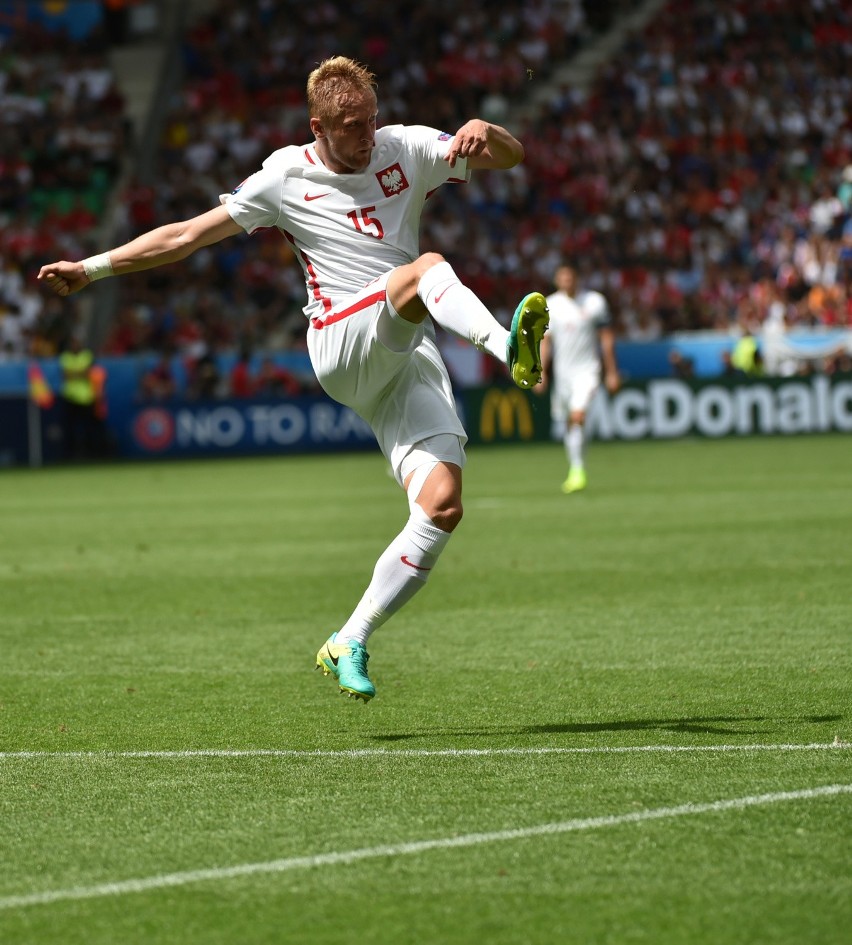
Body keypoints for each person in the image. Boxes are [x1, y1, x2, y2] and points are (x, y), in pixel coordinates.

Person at [37, 56, 549, 703]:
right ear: (318, 127)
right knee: (426, 269)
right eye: (349, 126)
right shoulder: (284, 176)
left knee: (442, 504)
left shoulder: (407, 147)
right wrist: (92, 268)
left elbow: (511, 156)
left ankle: (349, 638)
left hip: (401, 355)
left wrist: (486, 130)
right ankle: (509, 348)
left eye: (369, 120)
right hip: (339, 339)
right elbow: (189, 235)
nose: (365, 135)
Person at [539, 263, 620, 494]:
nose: (567, 282)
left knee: (578, 415)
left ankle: (577, 471)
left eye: (570, 277)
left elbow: (606, 339)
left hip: (588, 370)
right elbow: (546, 341)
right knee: (569, 422)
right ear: (557, 280)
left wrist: (612, 371)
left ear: (577, 278)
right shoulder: (550, 305)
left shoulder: (595, 302)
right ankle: (576, 468)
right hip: (563, 375)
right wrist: (542, 372)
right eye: (562, 278)